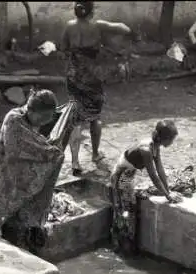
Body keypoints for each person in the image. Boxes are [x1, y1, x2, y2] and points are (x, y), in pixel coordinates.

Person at [0, 89, 65, 252]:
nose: (45, 121)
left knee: (16, 228)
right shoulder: (14, 119)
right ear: (31, 110)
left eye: (48, 118)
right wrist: (50, 152)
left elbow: (36, 143)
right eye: (43, 117)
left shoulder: (31, 122)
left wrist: (50, 150)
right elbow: (18, 148)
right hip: (5, 176)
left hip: (20, 183)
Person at [60, 1, 138, 176]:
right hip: (92, 76)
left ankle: (75, 162)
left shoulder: (69, 26)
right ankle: (95, 154)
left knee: (75, 117)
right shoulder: (98, 25)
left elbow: (63, 49)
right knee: (95, 117)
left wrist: (76, 53)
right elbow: (123, 27)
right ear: (91, 11)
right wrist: (133, 35)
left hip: (74, 75)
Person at [109, 120, 183, 255]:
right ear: (164, 138)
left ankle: (125, 246)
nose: (172, 143)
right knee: (125, 211)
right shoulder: (146, 150)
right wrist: (167, 195)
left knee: (128, 210)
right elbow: (153, 176)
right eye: (171, 140)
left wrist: (169, 191)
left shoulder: (156, 146)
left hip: (129, 176)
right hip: (121, 178)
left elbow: (160, 170)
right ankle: (120, 247)